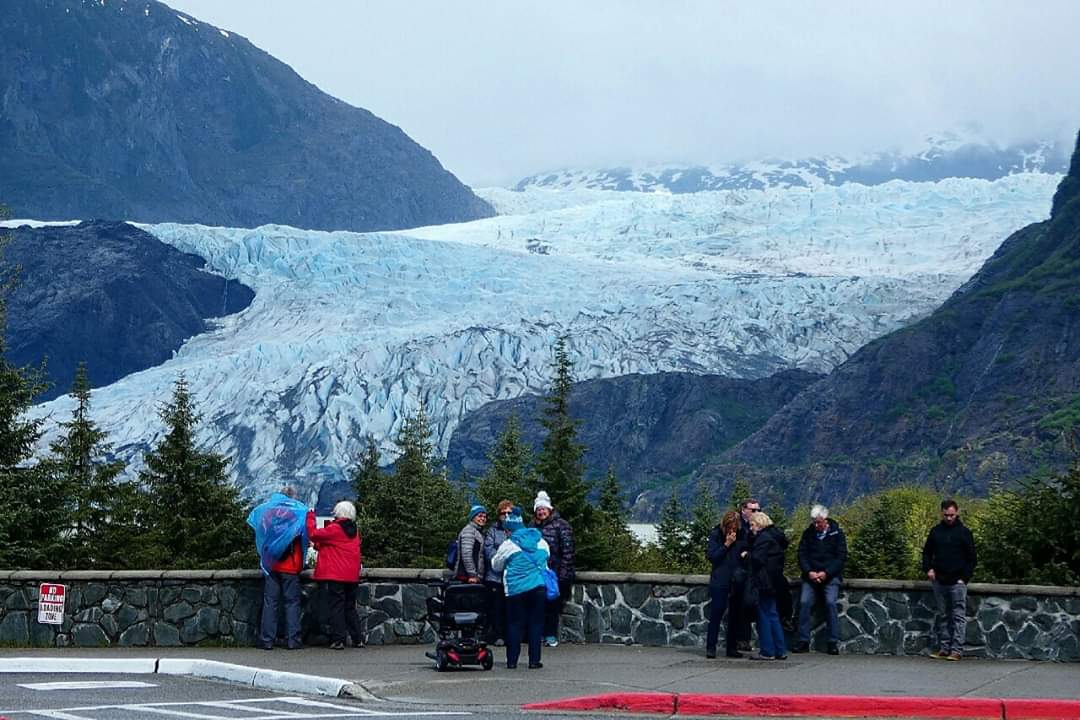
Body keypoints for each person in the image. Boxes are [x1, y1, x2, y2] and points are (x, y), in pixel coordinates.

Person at [247, 485, 308, 650]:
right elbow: (305, 538)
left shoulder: (267, 513)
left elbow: (262, 534)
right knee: (292, 603)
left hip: (272, 565)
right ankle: (293, 640)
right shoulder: (298, 514)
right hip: (291, 565)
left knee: (270, 603)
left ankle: (267, 640)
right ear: (292, 497)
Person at [491, 508, 550, 669]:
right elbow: (546, 559)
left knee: (514, 624)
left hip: (515, 589)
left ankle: (512, 661)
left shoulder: (508, 544)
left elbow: (496, 565)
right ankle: (534, 660)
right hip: (538, 587)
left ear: (509, 530)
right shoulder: (540, 541)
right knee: (536, 624)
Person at [922, 499, 977, 661]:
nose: (949, 518)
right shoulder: (935, 532)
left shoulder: (964, 533)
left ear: (957, 513)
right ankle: (944, 648)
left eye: (952, 515)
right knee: (943, 615)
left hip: (957, 581)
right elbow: (926, 553)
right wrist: (928, 569)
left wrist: (963, 578)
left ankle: (957, 649)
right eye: (946, 515)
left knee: (958, 616)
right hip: (939, 580)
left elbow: (972, 559)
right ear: (942, 513)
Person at [306, 501, 363, 650]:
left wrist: (311, 516)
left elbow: (314, 534)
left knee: (336, 607)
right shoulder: (354, 530)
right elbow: (337, 544)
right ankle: (358, 638)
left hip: (336, 574)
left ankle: (338, 639)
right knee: (350, 607)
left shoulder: (335, 528)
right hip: (352, 575)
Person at [793, 504, 847, 655]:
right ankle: (803, 640)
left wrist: (826, 573)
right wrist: (809, 571)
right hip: (811, 576)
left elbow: (841, 557)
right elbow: (802, 554)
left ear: (825, 520)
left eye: (819, 522)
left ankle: (832, 641)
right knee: (804, 603)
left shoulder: (837, 534)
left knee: (830, 603)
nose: (816, 525)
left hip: (830, 576)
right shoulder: (807, 534)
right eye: (814, 522)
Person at [532, 490, 575, 647]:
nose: (541, 512)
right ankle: (539, 634)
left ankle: (550, 635)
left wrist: (563, 574)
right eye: (538, 509)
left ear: (549, 509)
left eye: (543, 509)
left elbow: (568, 552)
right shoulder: (532, 527)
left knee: (552, 606)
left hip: (554, 574)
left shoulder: (562, 525)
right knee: (538, 606)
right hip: (537, 573)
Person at [705, 510, 746, 658]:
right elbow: (713, 557)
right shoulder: (716, 534)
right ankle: (711, 647)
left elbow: (746, 551)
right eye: (730, 528)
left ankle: (732, 647)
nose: (733, 531)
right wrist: (726, 545)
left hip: (736, 579)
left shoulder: (742, 534)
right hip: (720, 579)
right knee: (716, 613)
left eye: (735, 528)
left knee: (735, 615)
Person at [748, 511, 787, 660]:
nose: (751, 528)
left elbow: (758, 559)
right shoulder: (774, 538)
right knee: (773, 614)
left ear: (759, 524)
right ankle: (780, 649)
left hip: (764, 582)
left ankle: (767, 650)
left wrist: (748, 555)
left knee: (763, 615)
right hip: (774, 581)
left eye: (752, 525)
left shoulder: (763, 539)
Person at [483, 500, 515, 644]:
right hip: (495, 576)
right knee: (496, 608)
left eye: (509, 512)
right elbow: (488, 550)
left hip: (513, 576)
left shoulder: (518, 530)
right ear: (499, 515)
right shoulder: (492, 531)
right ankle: (498, 635)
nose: (506, 515)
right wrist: (501, 561)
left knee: (512, 608)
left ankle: (512, 635)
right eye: (503, 513)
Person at [732, 497, 761, 651]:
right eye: (753, 510)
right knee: (738, 605)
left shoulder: (758, 527)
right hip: (738, 571)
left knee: (748, 606)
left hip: (751, 570)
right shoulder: (736, 525)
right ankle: (739, 639)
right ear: (744, 510)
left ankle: (744, 638)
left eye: (758, 510)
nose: (756, 513)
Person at [455, 504, 489, 583]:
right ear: (473, 517)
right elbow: (466, 554)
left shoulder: (478, 531)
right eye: (480, 516)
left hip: (472, 577)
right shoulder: (468, 531)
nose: (483, 519)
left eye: (484, 517)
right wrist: (472, 575)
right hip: (466, 577)